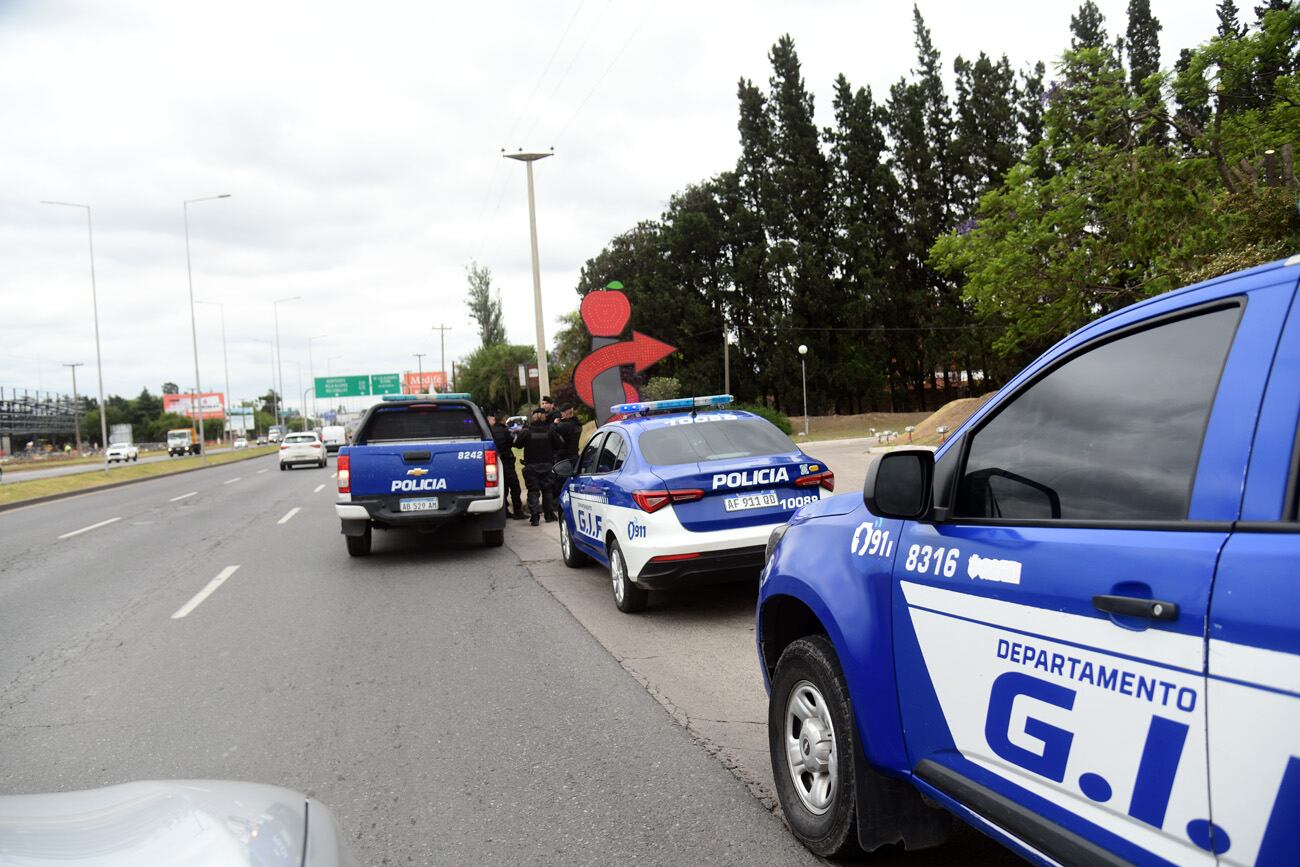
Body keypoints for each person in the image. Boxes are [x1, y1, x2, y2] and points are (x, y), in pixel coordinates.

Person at [514, 407, 563, 525]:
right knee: (547, 490)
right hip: (547, 465)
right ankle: (548, 515)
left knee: (533, 491)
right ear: (544, 417)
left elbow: (517, 444)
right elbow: (559, 444)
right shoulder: (550, 431)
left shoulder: (527, 431)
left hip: (531, 466)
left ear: (533, 417)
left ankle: (535, 516)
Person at [486, 410, 525, 520]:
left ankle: (504, 511)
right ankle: (518, 511)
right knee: (515, 487)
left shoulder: (490, 431)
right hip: (507, 461)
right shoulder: (506, 431)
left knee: (503, 488)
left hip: (496, 462)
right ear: (503, 420)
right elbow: (514, 443)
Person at [552, 403, 582, 503]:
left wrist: (555, 423)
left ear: (566, 413)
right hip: (575, 456)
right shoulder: (578, 424)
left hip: (564, 459)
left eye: (562, 413)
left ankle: (560, 503)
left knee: (561, 481)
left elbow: (551, 431)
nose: (561, 415)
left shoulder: (565, 425)